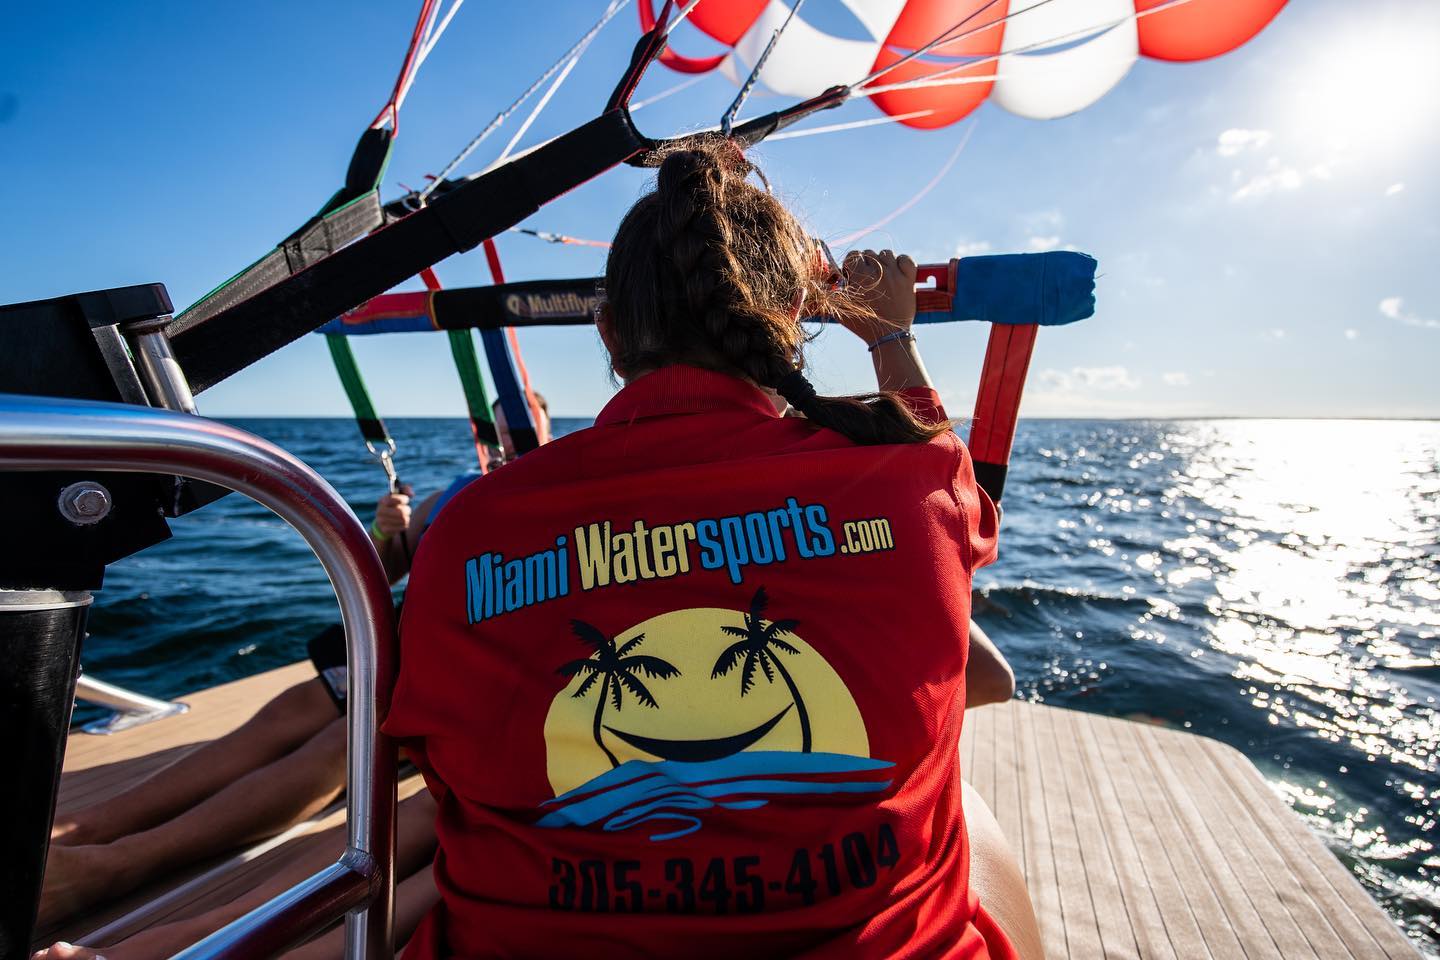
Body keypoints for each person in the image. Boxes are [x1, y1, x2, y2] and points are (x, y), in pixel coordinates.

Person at [386, 136, 1042, 959]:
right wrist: (887, 337)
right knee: (964, 806)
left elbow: (433, 760)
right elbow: (958, 496)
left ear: (608, 331)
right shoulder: (909, 473)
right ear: (797, 318)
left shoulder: (468, 528)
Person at [34, 395, 551, 941]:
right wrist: (385, 529)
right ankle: (88, 826)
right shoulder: (456, 490)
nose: (509, 437)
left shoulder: (554, 492)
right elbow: (384, 573)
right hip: (406, 647)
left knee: (344, 741)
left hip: (468, 671)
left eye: (521, 425)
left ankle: (122, 862)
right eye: (498, 428)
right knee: (292, 708)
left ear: (546, 423)